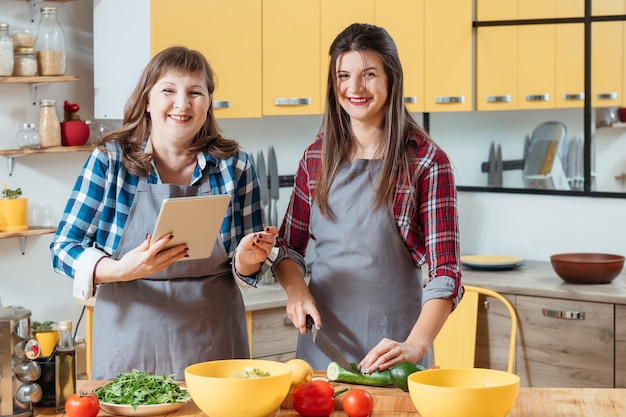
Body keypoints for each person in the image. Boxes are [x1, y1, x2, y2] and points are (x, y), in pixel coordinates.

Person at [50, 46, 276, 380]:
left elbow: (247, 265)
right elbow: (62, 248)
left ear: (208, 101)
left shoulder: (236, 166)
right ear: (147, 101)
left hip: (213, 340)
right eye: (168, 91)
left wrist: (248, 257)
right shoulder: (110, 162)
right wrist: (119, 269)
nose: (182, 104)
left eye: (194, 92)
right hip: (129, 340)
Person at [268, 23, 464, 373]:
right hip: (321, 350)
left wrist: (415, 345)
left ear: (391, 78)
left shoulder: (426, 161)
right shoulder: (315, 157)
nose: (354, 88)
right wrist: (296, 290)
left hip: (395, 349)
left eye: (369, 74)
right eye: (343, 75)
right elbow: (288, 248)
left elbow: (445, 272)